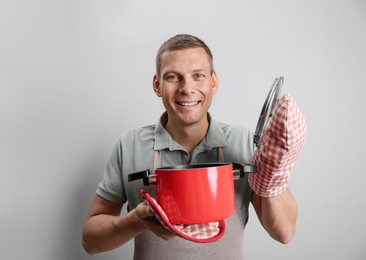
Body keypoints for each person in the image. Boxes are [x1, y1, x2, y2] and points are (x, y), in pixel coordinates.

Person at [82, 34, 305, 259]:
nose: (187, 88)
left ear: (213, 81)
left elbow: (284, 233)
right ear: (157, 85)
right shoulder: (129, 145)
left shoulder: (243, 141)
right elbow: (91, 241)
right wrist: (135, 221)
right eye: (172, 77)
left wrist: (273, 170)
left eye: (198, 76)